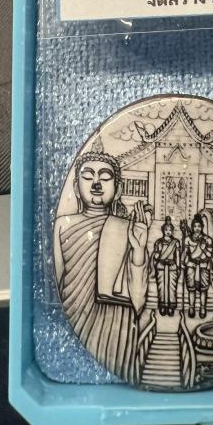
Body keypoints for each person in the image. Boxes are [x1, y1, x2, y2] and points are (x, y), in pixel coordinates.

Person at [53, 149, 153, 384]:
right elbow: (58, 279)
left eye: (105, 177)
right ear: (76, 186)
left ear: (117, 190)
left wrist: (139, 249)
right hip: (75, 314)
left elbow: (139, 298)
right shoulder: (63, 224)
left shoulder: (127, 229)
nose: (96, 183)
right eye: (88, 176)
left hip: (116, 325)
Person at [181, 214, 213, 319]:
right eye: (195, 226)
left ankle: (202, 308)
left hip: (203, 266)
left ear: (202, 227)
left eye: (199, 226)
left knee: (203, 289)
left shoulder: (208, 239)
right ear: (192, 227)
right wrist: (182, 262)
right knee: (191, 288)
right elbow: (186, 253)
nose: (197, 228)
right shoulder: (188, 239)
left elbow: (209, 255)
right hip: (191, 265)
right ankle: (191, 308)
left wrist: (203, 248)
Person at [151, 216, 181, 316]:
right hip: (161, 267)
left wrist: (178, 266)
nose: (168, 232)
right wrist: (157, 256)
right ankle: (162, 305)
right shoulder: (159, 242)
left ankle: (171, 306)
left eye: (170, 230)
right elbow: (156, 255)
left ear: (172, 231)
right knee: (161, 287)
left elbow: (177, 256)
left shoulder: (176, 242)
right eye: (166, 230)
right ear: (163, 230)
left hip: (172, 267)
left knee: (172, 287)